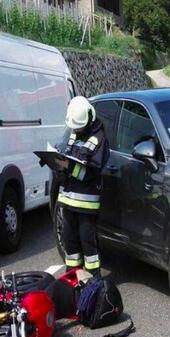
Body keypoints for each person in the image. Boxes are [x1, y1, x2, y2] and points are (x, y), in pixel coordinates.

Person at [58, 96, 109, 279]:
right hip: (68, 199)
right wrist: (55, 163)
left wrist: (68, 167)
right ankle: (71, 277)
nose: (76, 130)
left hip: (86, 203)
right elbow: (67, 154)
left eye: (79, 126)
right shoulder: (74, 132)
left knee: (88, 243)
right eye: (74, 127)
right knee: (69, 242)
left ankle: (93, 280)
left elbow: (90, 172)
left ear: (89, 117)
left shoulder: (99, 139)